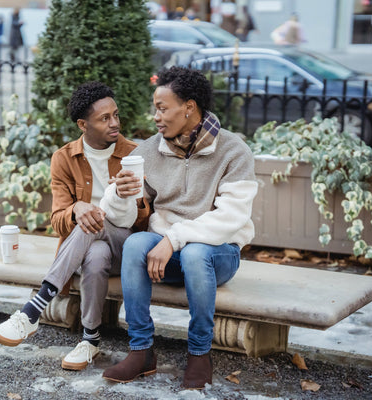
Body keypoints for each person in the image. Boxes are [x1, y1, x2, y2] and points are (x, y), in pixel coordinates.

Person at [100, 66, 258, 389]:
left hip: (219, 254)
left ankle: (200, 353)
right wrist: (119, 195)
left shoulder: (233, 151)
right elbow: (124, 218)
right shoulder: (148, 151)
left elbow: (231, 217)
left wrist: (173, 238)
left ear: (189, 107)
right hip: (167, 253)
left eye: (162, 108)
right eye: (154, 108)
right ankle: (141, 349)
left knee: (196, 254)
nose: (155, 116)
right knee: (133, 245)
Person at [0, 82, 150, 371]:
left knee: (98, 224)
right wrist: (76, 209)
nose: (115, 123)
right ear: (82, 124)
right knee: (96, 253)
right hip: (89, 250)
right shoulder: (64, 158)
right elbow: (57, 221)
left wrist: (133, 199)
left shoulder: (136, 154)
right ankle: (90, 340)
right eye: (104, 118)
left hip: (128, 250)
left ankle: (34, 309)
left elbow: (145, 221)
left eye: (115, 114)